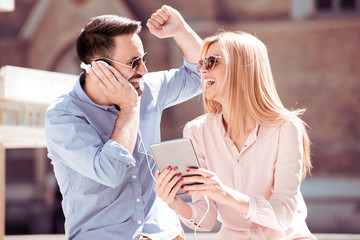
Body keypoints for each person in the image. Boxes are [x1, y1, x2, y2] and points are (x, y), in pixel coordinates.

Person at [44, 5, 202, 240]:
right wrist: (129, 108)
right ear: (100, 67)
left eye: (143, 59)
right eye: (134, 62)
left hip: (164, 234)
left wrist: (180, 30)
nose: (144, 70)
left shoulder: (148, 89)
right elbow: (111, 171)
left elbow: (200, 74)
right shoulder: (63, 117)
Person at [155, 31, 317, 240]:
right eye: (201, 64)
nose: (202, 71)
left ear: (241, 68)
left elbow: (284, 214)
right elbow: (205, 219)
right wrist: (174, 202)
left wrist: (226, 195)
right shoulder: (197, 131)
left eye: (211, 62)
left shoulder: (285, 127)